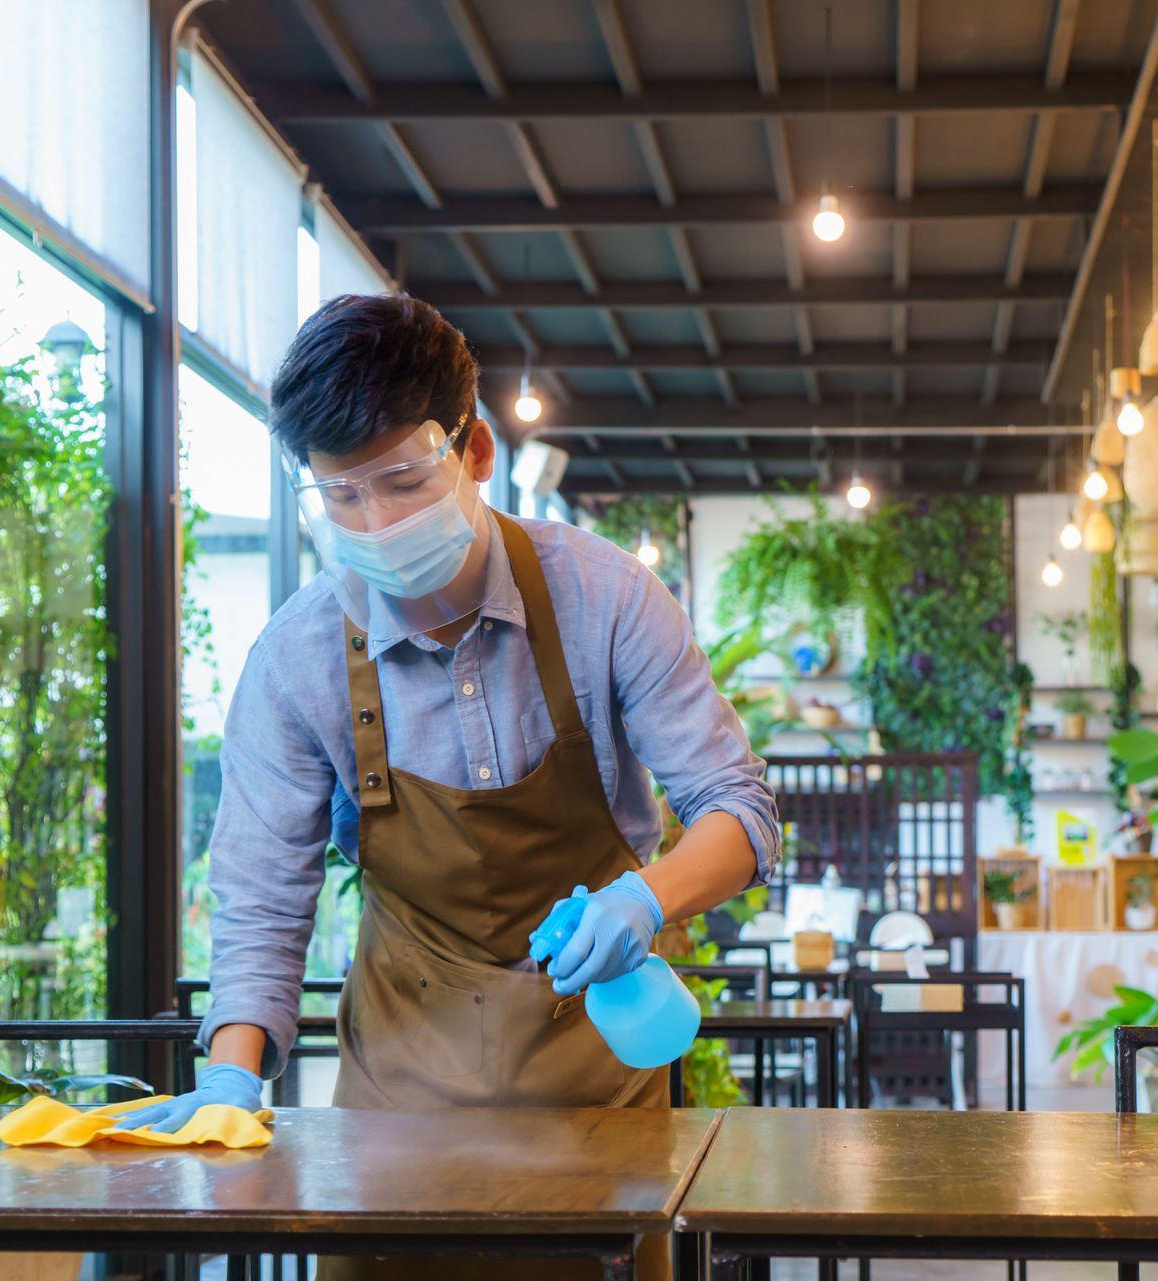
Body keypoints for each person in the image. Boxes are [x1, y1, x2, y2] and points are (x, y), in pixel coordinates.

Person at [118, 295, 779, 1280]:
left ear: (473, 453)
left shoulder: (604, 599)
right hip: (393, 1125)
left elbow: (741, 810)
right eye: (342, 496)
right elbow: (262, 897)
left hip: (598, 1113)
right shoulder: (297, 660)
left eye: (400, 482)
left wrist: (647, 896)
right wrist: (228, 1076)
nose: (374, 524)